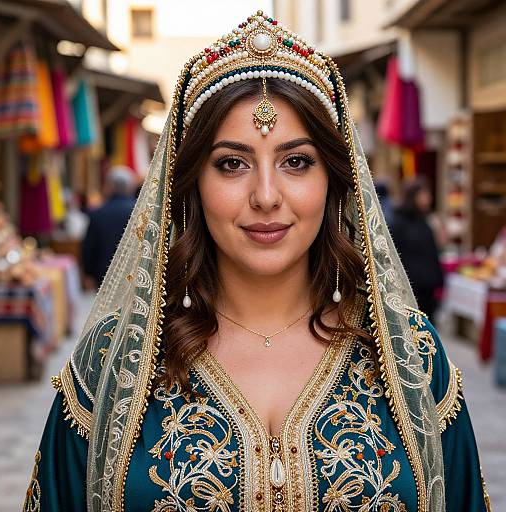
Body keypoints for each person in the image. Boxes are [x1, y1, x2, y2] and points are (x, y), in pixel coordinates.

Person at [24, 11, 490, 512]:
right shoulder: (116, 360)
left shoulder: (409, 356)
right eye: (231, 164)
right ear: (191, 185)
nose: (266, 196)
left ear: (334, 179)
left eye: (296, 162)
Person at [389, 178, 444, 321]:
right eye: (424, 194)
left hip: (427, 288)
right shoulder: (398, 223)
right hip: (410, 288)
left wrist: (438, 279)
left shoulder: (424, 221)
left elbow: (432, 253)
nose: (428, 199)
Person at [81, 166, 136, 288]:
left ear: (109, 187)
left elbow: (89, 246)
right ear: (130, 187)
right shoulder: (141, 213)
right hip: (133, 275)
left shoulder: (98, 213)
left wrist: (88, 273)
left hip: (104, 276)